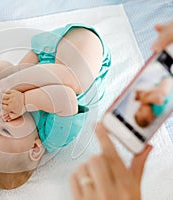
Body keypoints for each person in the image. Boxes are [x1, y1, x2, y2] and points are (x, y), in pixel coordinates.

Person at [0, 23, 111, 189]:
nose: (1, 119)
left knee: (9, 75)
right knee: (76, 82)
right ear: (35, 148)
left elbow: (5, 73)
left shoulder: (8, 105)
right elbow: (66, 97)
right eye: (5, 131)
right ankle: (13, 80)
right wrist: (24, 101)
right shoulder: (52, 138)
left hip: (42, 54)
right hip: (81, 51)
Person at [71, 20, 173, 200]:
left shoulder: (149, 96)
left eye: (140, 112)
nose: (143, 109)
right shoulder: (155, 100)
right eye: (145, 112)